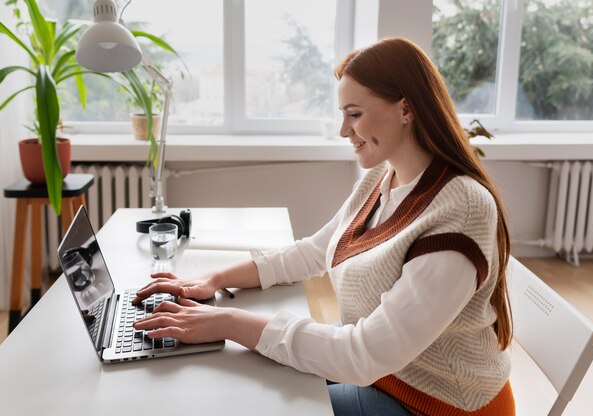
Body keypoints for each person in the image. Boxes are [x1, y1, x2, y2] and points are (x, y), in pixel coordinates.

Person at [132, 37, 515, 416]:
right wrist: (214, 279)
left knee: (256, 401)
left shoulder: (461, 211)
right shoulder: (383, 177)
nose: (343, 131)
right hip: (384, 371)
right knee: (241, 369)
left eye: (354, 114)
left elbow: (362, 356)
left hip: (435, 403)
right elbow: (316, 251)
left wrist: (227, 321)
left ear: (406, 109)